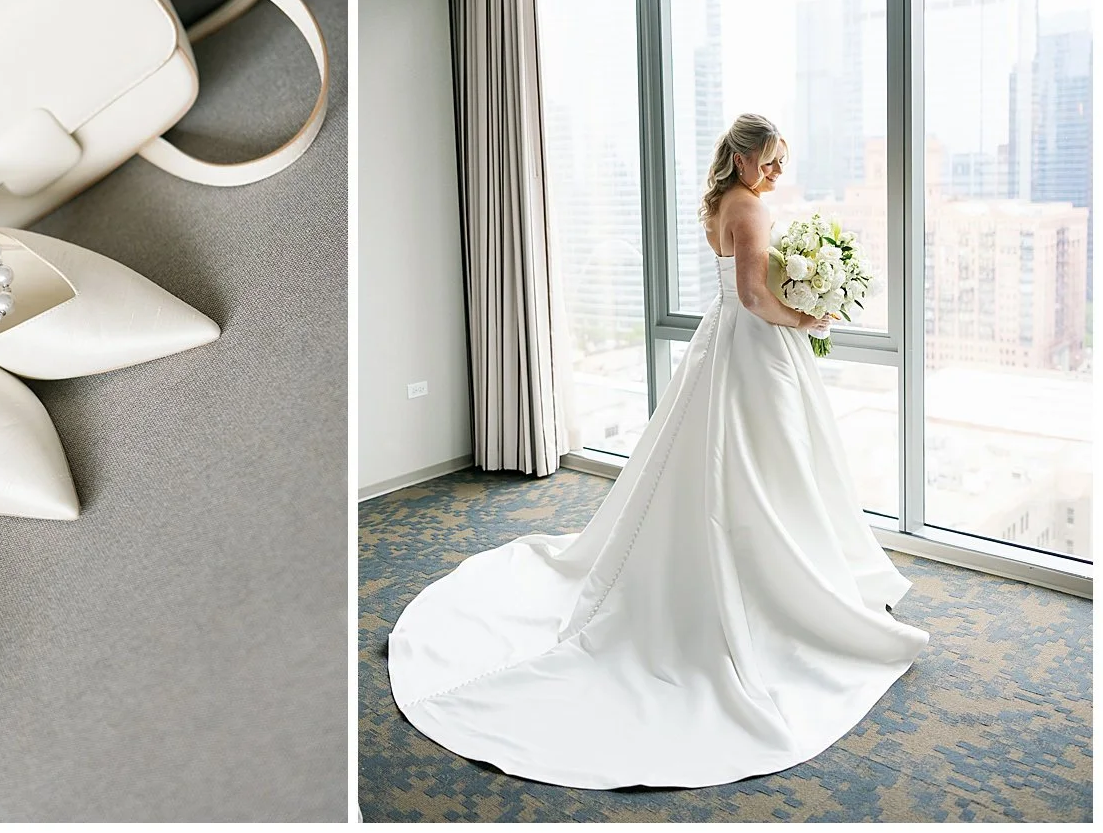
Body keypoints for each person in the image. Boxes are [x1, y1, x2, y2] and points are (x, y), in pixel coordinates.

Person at [387, 112, 928, 790]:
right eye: (770, 161)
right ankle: (785, 586)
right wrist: (807, 314)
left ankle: (778, 567)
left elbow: (743, 288)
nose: (777, 173)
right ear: (740, 160)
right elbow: (757, 294)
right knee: (770, 467)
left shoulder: (722, 207)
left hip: (725, 343)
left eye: (782, 161)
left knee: (735, 466)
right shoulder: (749, 207)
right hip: (756, 348)